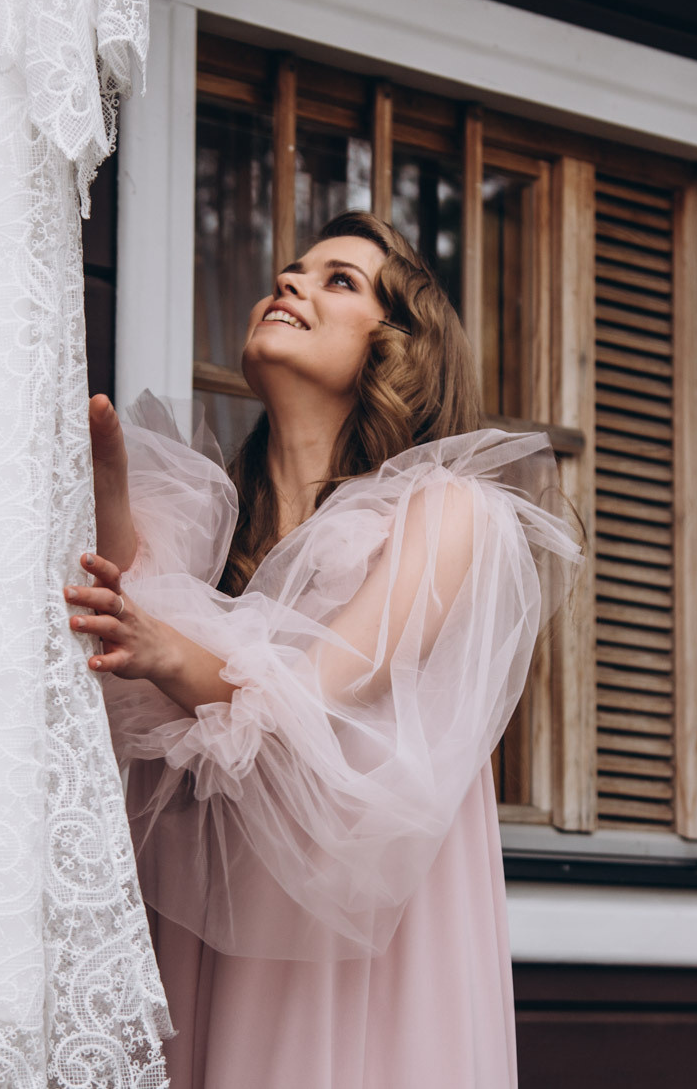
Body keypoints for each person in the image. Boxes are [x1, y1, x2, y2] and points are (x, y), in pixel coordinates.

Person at [63, 211, 580, 1089]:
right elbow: (129, 665)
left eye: (337, 280)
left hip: (368, 952)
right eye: (291, 270)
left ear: (398, 347)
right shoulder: (217, 543)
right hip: (225, 933)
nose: (289, 282)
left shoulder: (451, 513)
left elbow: (317, 691)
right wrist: (108, 493)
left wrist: (165, 652)